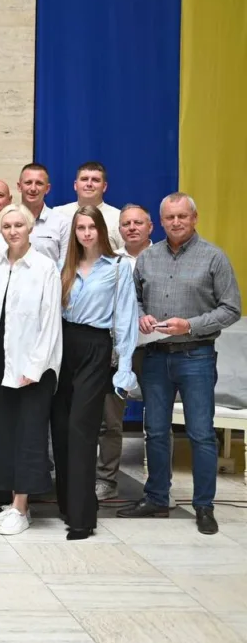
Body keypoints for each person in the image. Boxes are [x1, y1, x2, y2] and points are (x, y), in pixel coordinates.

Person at [120, 193, 241, 535]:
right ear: (160, 222)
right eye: (169, 217)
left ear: (194, 218)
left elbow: (231, 308)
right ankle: (157, 498)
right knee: (156, 431)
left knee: (201, 433)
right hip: (155, 357)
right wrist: (141, 316)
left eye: (182, 216)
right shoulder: (148, 258)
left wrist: (190, 325)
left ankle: (204, 506)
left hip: (196, 356)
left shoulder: (214, 257)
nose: (176, 222)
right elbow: (134, 299)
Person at [51, 206, 138, 540]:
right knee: (60, 427)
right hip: (63, 346)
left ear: (101, 229)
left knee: (81, 428)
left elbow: (126, 320)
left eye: (92, 227)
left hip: (95, 347)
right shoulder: (64, 267)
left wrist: (124, 370)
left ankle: (83, 518)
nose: (86, 233)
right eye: (81, 227)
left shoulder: (118, 268)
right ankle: (68, 504)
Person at [0, 204, 62, 536]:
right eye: (7, 226)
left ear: (30, 229)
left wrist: (35, 366)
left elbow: (50, 321)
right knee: (3, 434)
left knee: (28, 436)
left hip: (31, 366)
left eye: (19, 225)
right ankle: (12, 504)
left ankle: (22, 507)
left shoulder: (44, 268)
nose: (13, 231)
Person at [97, 204, 153, 500]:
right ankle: (106, 480)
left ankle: (159, 485)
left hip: (153, 349)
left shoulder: (161, 258)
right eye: (126, 223)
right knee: (110, 421)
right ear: (119, 229)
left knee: (157, 421)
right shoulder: (110, 261)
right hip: (116, 351)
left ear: (150, 227)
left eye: (138, 223)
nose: (131, 228)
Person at [2, 163, 71, 263]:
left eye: (39, 183)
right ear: (19, 186)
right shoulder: (6, 221)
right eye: (28, 183)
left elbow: (66, 265)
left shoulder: (62, 222)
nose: (33, 188)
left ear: (47, 188)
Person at [53, 161, 122, 250]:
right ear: (75, 185)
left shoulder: (118, 217)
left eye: (95, 180)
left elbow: (127, 254)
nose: (89, 184)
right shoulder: (57, 213)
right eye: (84, 179)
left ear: (104, 186)